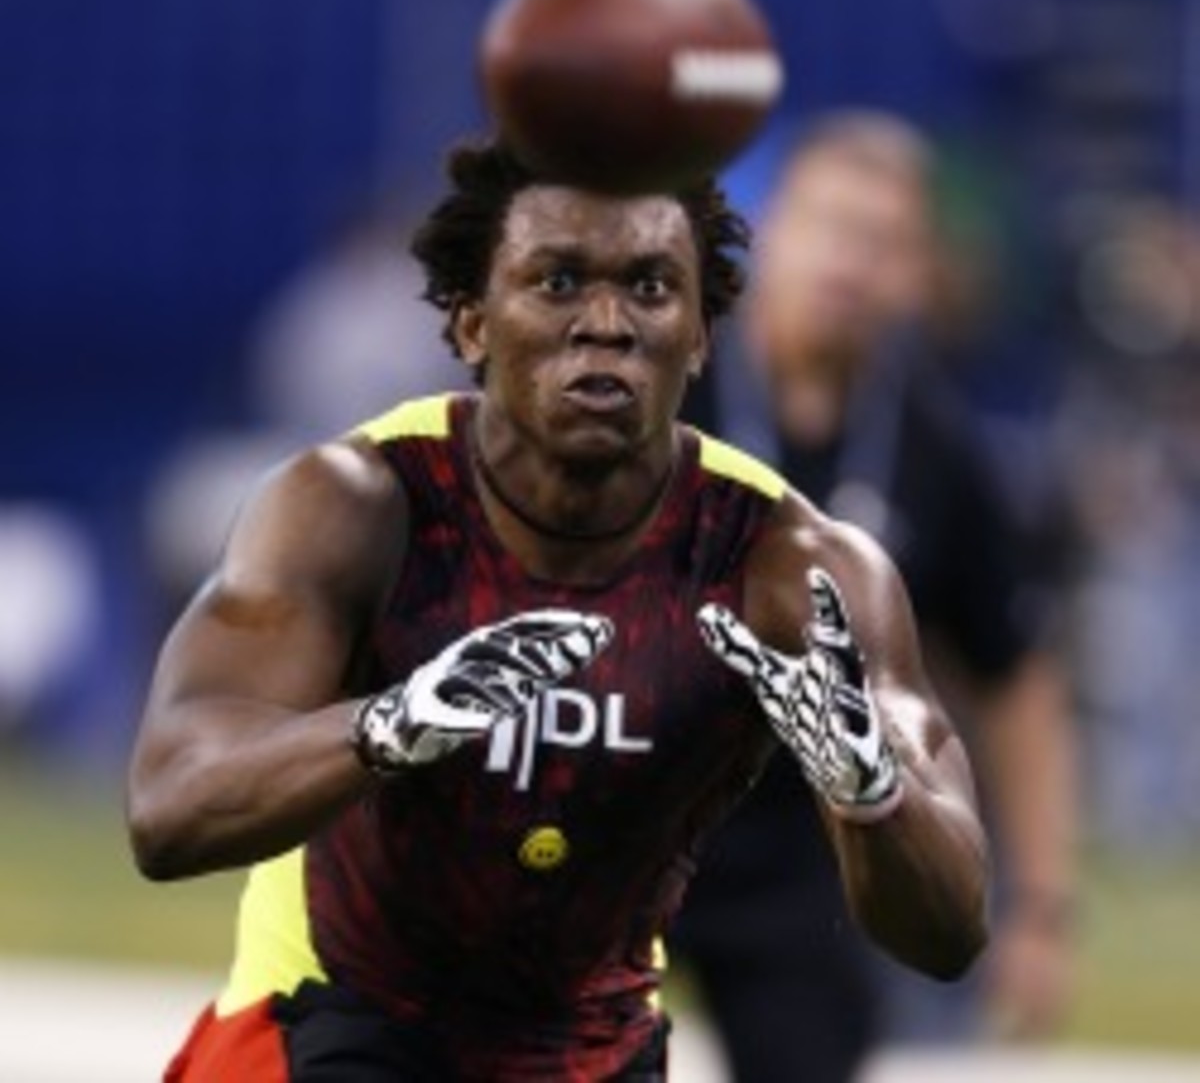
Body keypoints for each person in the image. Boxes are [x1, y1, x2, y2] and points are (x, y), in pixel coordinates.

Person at [126, 139, 989, 1081]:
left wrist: (875, 797)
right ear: (470, 323)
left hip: (587, 1054)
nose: (607, 324)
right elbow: (170, 811)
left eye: (653, 288)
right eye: (560, 281)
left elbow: (950, 931)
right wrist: (389, 725)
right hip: (330, 1019)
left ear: (702, 335)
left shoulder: (792, 562)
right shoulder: (357, 503)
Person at [673, 112, 1076, 1081]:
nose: (849, 265)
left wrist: (1044, 909)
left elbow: (1019, 675)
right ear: (768, 231)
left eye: (882, 242)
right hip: (626, 798)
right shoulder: (662, 381)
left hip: (806, 842)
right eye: (829, 227)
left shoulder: (943, 448)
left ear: (919, 274)